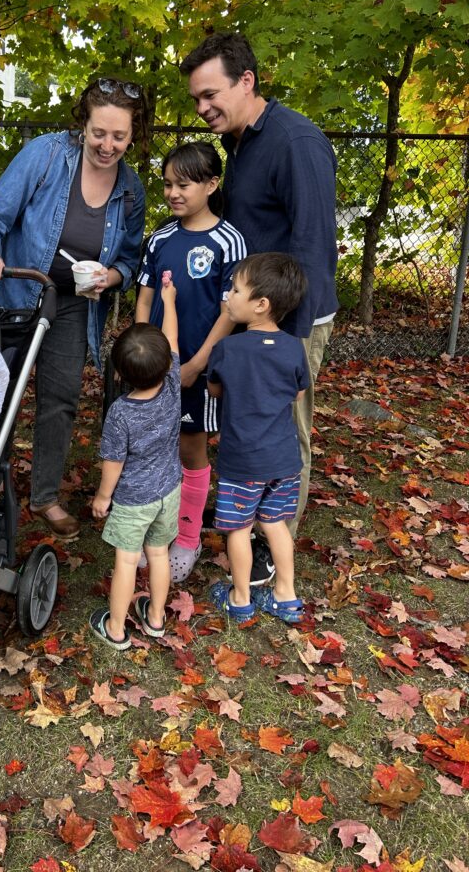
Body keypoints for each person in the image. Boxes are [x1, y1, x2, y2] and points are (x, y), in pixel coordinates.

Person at [0, 78, 147, 539]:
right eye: (99, 132)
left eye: (118, 136)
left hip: (72, 306)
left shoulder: (131, 189)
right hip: (16, 294)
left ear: (132, 136)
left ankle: (44, 496)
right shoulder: (45, 156)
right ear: (82, 123)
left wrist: (112, 277)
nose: (107, 145)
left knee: (60, 400)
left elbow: (130, 258)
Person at [180, 32, 337, 566]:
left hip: (289, 321)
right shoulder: (239, 143)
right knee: (245, 422)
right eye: (196, 99)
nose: (202, 108)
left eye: (210, 95)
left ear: (246, 82)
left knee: (283, 433)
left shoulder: (296, 143)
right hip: (251, 312)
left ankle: (275, 546)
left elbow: (313, 245)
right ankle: (244, 522)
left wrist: (284, 341)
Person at [135, 142, 246, 582]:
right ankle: (157, 530)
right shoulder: (161, 237)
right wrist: (142, 350)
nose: (173, 193)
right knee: (154, 446)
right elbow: (144, 296)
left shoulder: (229, 242)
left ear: (211, 183)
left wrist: (196, 363)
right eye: (167, 184)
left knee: (189, 448)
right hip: (155, 367)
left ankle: (188, 537)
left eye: (183, 184)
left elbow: (229, 312)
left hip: (198, 368)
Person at [207, 252, 309, 624]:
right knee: (274, 524)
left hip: (242, 461)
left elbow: (216, 391)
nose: (229, 296)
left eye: (235, 289)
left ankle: (240, 597)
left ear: (261, 305)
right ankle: (286, 595)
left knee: (238, 528)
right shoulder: (294, 347)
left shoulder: (228, 349)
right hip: (283, 460)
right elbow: (298, 394)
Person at [90, 276, 181, 649]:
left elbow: (113, 461)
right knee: (158, 554)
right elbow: (172, 341)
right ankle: (156, 618)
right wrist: (168, 301)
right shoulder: (174, 382)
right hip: (170, 490)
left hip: (133, 500)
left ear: (119, 374)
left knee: (127, 562)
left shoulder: (120, 413)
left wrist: (102, 498)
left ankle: (115, 628)